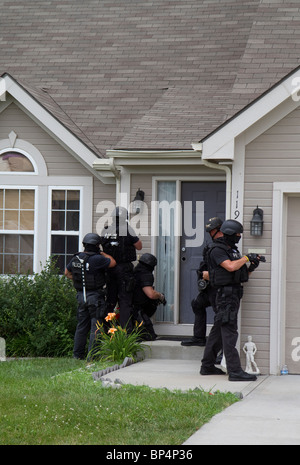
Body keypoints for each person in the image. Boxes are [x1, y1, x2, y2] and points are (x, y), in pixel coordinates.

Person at [200, 219, 261, 382]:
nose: (239, 237)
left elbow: (241, 274)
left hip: (233, 293)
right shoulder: (217, 250)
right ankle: (234, 371)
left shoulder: (232, 250)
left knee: (219, 331)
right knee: (229, 332)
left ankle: (207, 365)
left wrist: (252, 265)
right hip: (225, 296)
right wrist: (246, 258)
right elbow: (230, 267)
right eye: (237, 234)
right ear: (228, 234)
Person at [65, 232, 116, 360]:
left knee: (81, 326)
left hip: (81, 296)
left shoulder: (76, 258)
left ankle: (77, 355)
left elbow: (67, 273)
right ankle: (93, 356)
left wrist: (81, 281)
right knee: (96, 326)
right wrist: (103, 253)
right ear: (97, 246)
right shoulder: (98, 259)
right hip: (95, 297)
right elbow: (113, 262)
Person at [181, 217, 223, 347]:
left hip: (218, 288)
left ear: (218, 230)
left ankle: (220, 349)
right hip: (209, 288)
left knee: (221, 317)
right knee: (197, 305)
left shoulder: (223, 247)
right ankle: (199, 338)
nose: (210, 234)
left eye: (212, 231)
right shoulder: (212, 246)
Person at [100, 206, 142, 332]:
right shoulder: (128, 229)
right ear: (126, 217)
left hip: (109, 269)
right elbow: (139, 246)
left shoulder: (106, 230)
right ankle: (126, 333)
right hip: (124, 270)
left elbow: (102, 246)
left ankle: (106, 330)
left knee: (110, 300)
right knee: (125, 302)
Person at [132, 253, 166, 341]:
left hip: (131, 307)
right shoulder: (146, 275)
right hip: (138, 310)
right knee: (150, 335)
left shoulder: (135, 272)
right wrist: (160, 296)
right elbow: (151, 294)